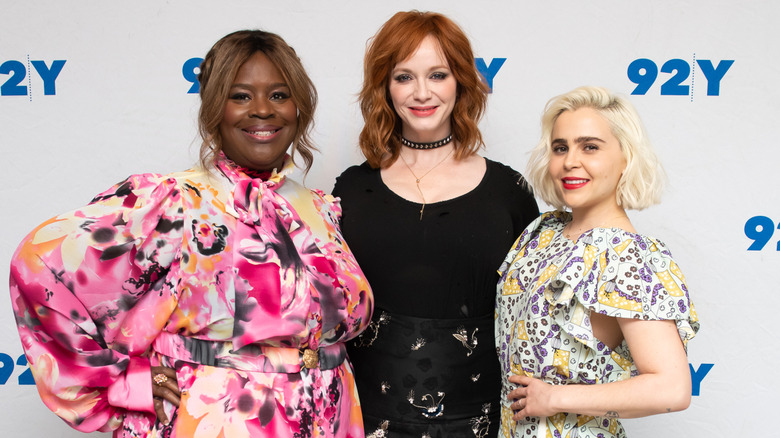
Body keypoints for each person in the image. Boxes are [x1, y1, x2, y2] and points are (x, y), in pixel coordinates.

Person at [9, 30, 372, 438]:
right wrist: (126, 382)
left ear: (299, 107)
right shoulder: (176, 203)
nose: (262, 110)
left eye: (278, 95)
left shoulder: (323, 209)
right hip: (219, 422)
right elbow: (39, 267)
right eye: (240, 96)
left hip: (332, 418)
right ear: (215, 108)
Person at [333, 10, 539, 438]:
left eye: (438, 75)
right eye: (404, 76)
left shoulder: (509, 191)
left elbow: (532, 315)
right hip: (363, 412)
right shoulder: (350, 189)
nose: (422, 92)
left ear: (461, 80)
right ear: (385, 87)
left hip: (478, 417)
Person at [495, 86, 700, 437]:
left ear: (626, 158)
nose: (570, 161)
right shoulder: (544, 231)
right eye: (561, 147)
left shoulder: (628, 256)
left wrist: (557, 397)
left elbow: (672, 388)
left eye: (590, 146)